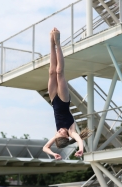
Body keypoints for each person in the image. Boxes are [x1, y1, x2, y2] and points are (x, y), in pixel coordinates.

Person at [43, 28, 84, 160]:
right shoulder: (71, 132)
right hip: (64, 99)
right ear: (66, 137)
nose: (59, 131)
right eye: (61, 133)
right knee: (59, 72)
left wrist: (53, 153)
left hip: (54, 99)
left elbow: (45, 147)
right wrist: (81, 150)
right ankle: (58, 43)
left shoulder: (57, 135)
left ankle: (51, 42)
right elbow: (79, 140)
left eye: (58, 133)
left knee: (51, 72)